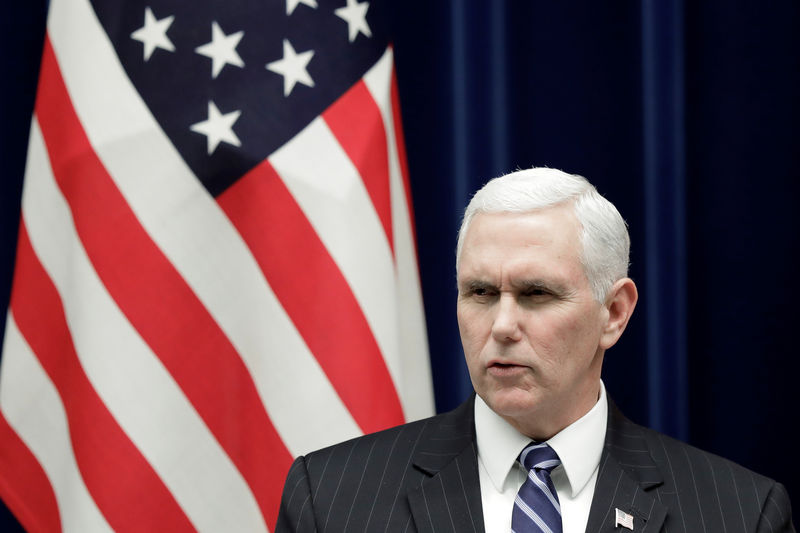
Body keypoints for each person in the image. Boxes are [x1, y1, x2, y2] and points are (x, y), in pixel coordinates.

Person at [275, 167, 794, 532]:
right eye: (480, 293)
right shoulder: (332, 499)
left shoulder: (739, 513)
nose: (501, 325)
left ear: (613, 313)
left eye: (536, 294)